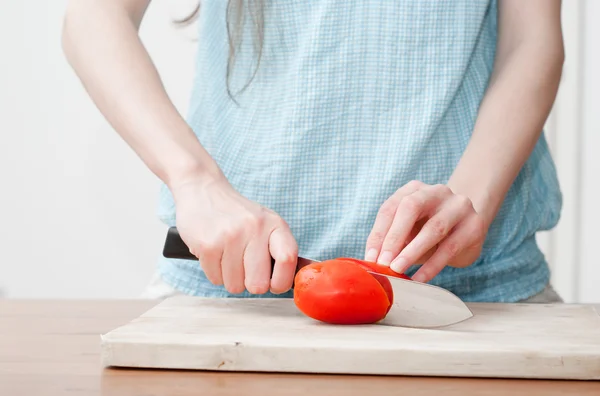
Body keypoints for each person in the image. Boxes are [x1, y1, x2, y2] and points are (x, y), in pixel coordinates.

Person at [61, 0, 565, 303]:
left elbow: (532, 37)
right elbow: (94, 15)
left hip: (480, 295)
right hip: (228, 296)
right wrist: (194, 180)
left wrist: (471, 197)